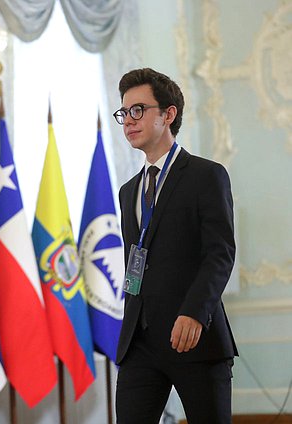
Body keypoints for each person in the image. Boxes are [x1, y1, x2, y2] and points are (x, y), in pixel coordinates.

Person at [113, 68, 238, 423]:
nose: (128, 121)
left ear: (169, 114)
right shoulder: (129, 192)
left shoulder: (206, 175)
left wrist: (195, 312)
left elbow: (220, 253)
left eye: (139, 110)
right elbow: (134, 263)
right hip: (140, 341)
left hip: (194, 336)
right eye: (124, 113)